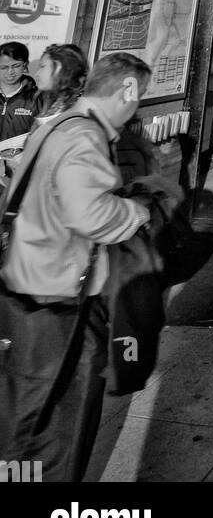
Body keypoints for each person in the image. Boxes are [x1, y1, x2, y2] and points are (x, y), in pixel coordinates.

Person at [0, 52, 153, 482]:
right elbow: (92, 216)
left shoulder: (58, 124)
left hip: (33, 279)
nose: (136, 104)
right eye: (138, 95)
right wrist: (137, 214)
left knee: (35, 406)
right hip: (53, 293)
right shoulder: (85, 135)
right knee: (46, 417)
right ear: (125, 89)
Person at [29, 43, 89, 130]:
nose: (37, 74)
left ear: (59, 68)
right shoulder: (51, 102)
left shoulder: (77, 111)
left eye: (42, 67)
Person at [0, 41, 39, 141]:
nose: (10, 72)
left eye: (16, 66)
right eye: (3, 67)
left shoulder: (38, 98)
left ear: (25, 65)